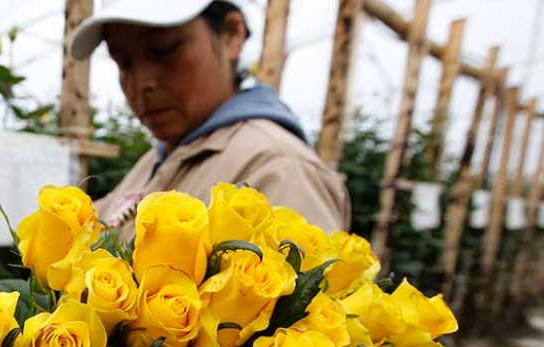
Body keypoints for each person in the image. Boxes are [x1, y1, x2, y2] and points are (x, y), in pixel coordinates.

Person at [71, 0, 351, 237]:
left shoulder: (281, 170)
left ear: (231, 34)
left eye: (165, 50)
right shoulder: (158, 161)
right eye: (124, 62)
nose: (140, 82)